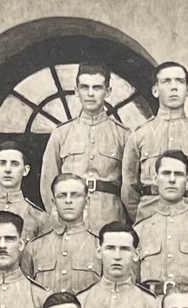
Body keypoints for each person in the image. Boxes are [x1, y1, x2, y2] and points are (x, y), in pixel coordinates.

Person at [121, 60, 188, 218]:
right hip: (150, 216)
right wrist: (142, 220)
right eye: (166, 81)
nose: (174, 87)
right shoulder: (139, 135)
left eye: (180, 81)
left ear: (187, 90)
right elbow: (128, 188)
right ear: (155, 90)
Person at [37, 60, 127, 224]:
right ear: (76, 91)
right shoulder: (61, 133)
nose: (90, 94)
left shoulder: (123, 135)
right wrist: (58, 219)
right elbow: (47, 182)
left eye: (97, 88)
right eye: (85, 87)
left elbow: (131, 185)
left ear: (108, 91)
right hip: (71, 218)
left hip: (109, 217)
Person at [132, 151, 188, 294]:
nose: (172, 180)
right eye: (166, 173)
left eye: (178, 174)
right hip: (152, 305)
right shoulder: (140, 229)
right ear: (155, 178)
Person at [27, 173, 104, 298]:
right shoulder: (34, 247)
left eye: (75, 195)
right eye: (62, 196)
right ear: (53, 202)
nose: (68, 201)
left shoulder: (100, 245)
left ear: (87, 201)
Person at [0, 138, 42, 243]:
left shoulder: (39, 218)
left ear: (26, 170)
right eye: (2, 163)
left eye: (14, 164)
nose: (8, 169)